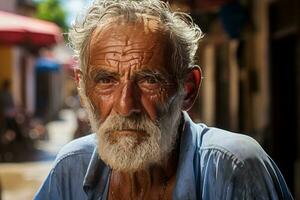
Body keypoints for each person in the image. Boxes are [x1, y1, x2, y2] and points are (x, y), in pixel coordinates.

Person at [35, 0, 293, 199]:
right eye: (106, 80)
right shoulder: (71, 167)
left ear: (187, 90)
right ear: (82, 87)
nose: (126, 106)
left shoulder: (232, 167)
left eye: (149, 80)